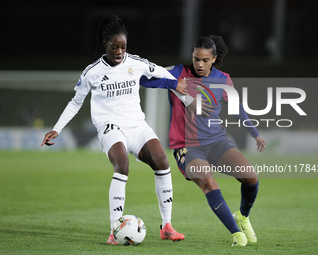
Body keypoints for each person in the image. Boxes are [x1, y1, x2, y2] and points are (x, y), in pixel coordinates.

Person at [41, 15, 186, 244]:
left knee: (162, 161)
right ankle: (114, 229)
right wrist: (57, 129)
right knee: (122, 164)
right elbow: (76, 102)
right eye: (115, 46)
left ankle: (167, 226)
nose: (120, 51)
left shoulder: (135, 62)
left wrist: (176, 84)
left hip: (137, 124)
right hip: (110, 126)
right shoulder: (92, 72)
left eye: (123, 46)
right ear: (105, 44)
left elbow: (158, 71)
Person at [140, 35, 266, 246]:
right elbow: (144, 80)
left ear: (214, 59)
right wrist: (173, 84)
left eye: (205, 60)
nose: (199, 64)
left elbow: (237, 108)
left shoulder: (224, 79)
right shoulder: (179, 72)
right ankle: (237, 234)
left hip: (217, 142)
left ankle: (242, 217)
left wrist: (255, 134)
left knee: (251, 177)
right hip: (187, 147)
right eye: (196, 59)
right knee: (208, 182)